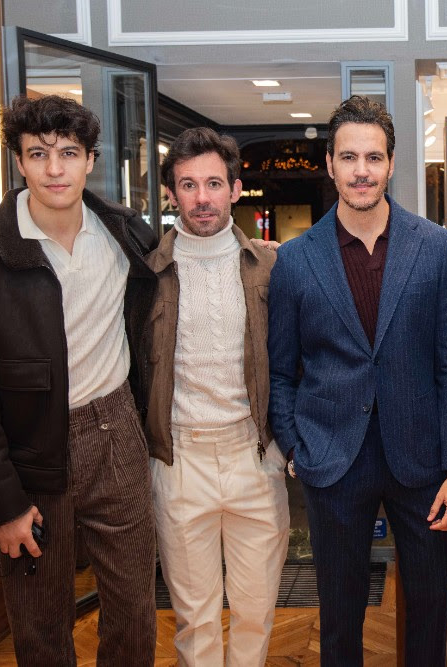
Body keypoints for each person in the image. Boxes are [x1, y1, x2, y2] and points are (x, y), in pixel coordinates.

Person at [0, 94, 158, 665]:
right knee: (40, 619)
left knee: (133, 604)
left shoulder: (126, 236)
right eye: (39, 153)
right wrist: (2, 503)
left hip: (118, 433)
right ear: (19, 161)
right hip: (31, 452)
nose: (55, 168)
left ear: (89, 160)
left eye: (69, 153)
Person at [267, 95, 447, 666]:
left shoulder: (433, 248)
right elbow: (281, 370)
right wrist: (294, 447)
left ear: (390, 164)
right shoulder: (296, 259)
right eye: (350, 157)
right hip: (332, 458)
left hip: (424, 461)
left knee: (430, 609)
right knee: (339, 615)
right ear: (329, 164)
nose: (362, 170)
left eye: (374, 158)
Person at [144, 127, 288, 666]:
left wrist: (281, 449)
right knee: (195, 619)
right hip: (180, 462)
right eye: (187, 185)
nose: (201, 198)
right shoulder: (147, 275)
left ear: (234, 188)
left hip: (254, 458)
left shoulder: (271, 268)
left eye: (212, 183)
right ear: (172, 193)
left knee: (256, 612)